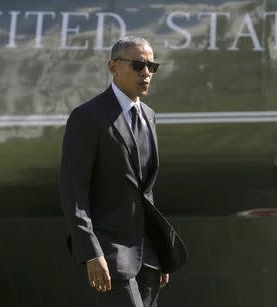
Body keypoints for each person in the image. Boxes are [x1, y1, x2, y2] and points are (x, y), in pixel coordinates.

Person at [60, 36, 187, 307]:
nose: (146, 73)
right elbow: (74, 191)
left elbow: (145, 192)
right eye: (138, 65)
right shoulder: (87, 117)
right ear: (113, 66)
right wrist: (90, 252)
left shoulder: (149, 116)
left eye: (152, 67)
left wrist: (159, 250)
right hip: (110, 254)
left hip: (149, 257)